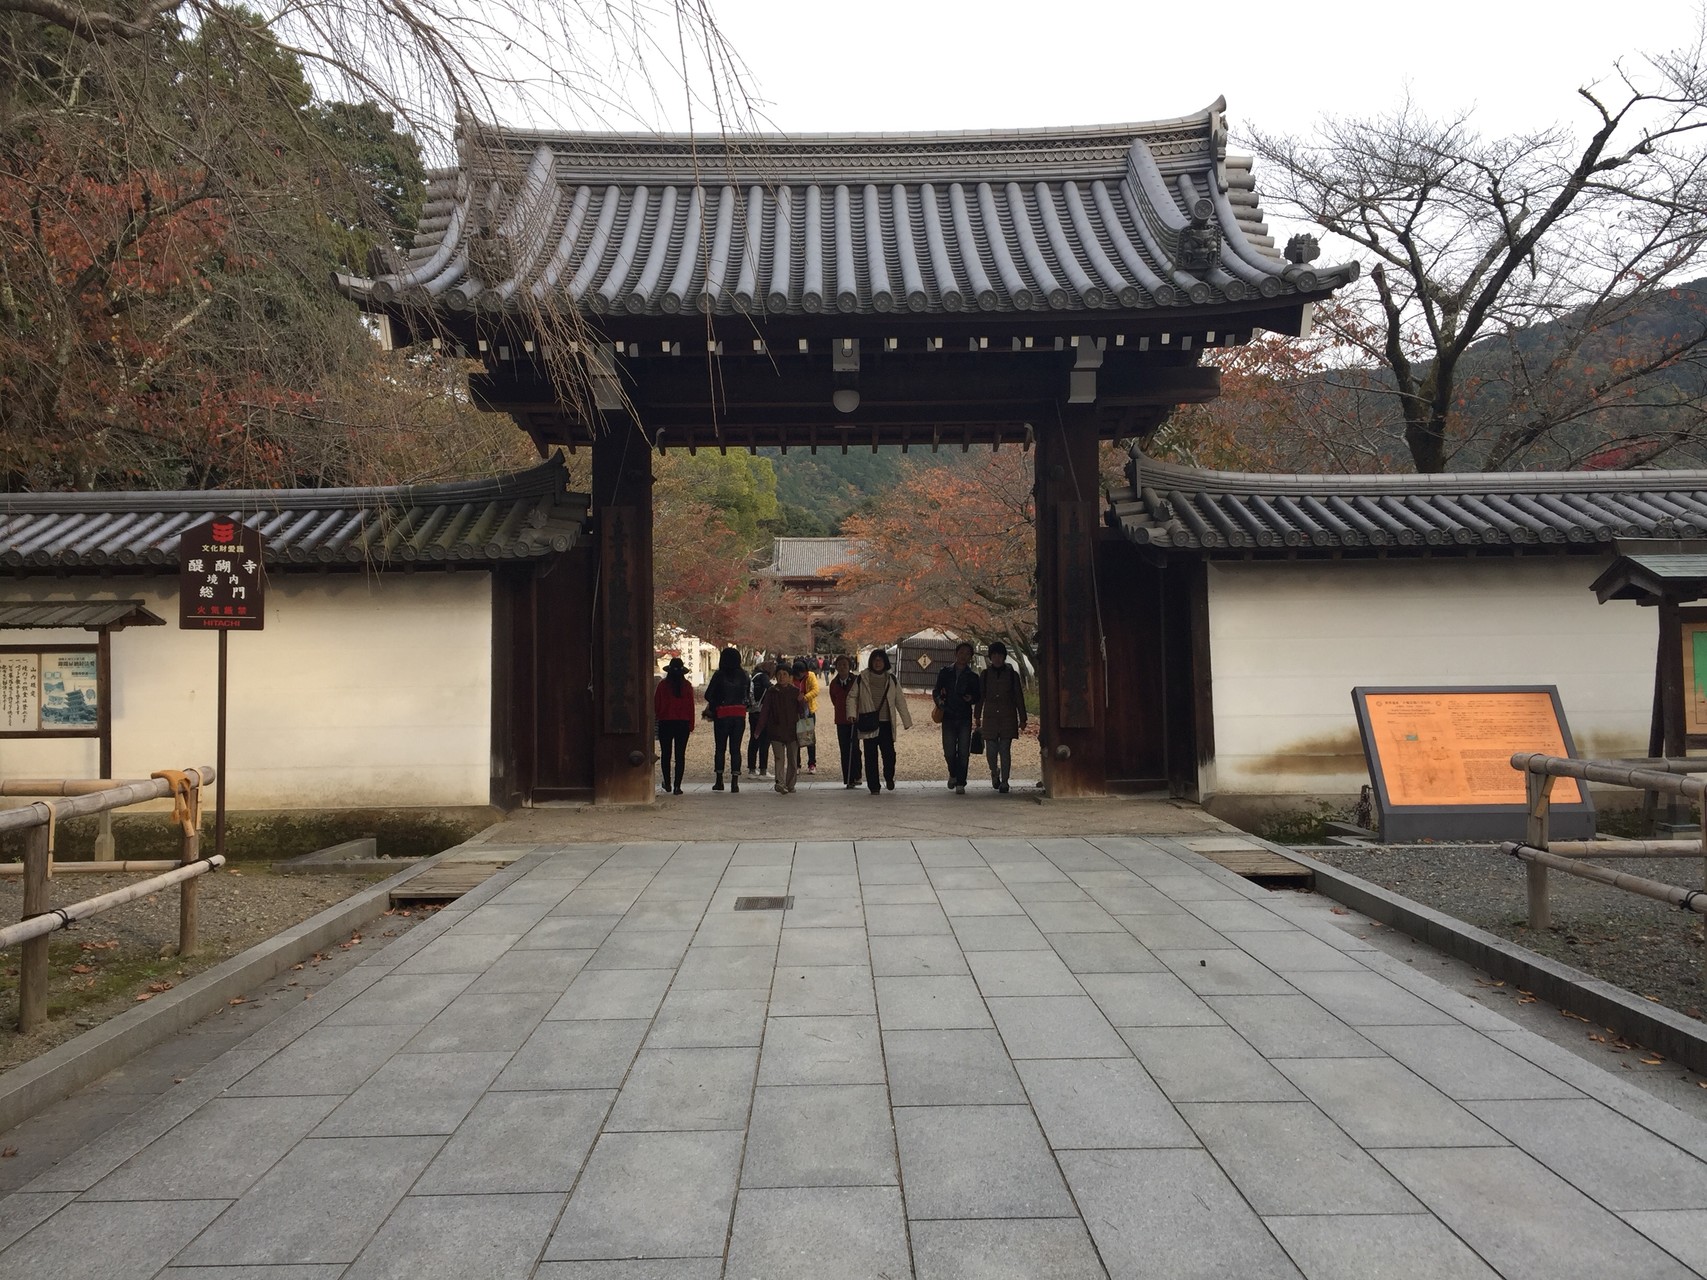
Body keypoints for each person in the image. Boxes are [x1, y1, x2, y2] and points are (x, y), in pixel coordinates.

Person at [851, 648, 912, 794]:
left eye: (880, 660)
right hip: (868, 720)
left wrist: (906, 721)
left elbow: (900, 701)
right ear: (871, 662)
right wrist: (851, 714)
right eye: (875, 660)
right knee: (870, 755)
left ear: (885, 662)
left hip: (886, 722)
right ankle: (874, 786)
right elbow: (852, 697)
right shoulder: (862, 678)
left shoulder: (891, 679)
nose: (878, 663)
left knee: (889, 754)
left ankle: (889, 776)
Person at [975, 641, 1026, 793]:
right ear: (991, 657)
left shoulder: (1012, 675)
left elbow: (1019, 697)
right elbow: (980, 697)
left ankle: (1005, 781)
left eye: (1000, 655)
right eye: (994, 655)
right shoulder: (985, 675)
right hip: (990, 716)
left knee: (1005, 750)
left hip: (1007, 716)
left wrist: (1022, 718)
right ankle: (994, 771)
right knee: (991, 751)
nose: (997, 658)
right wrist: (977, 715)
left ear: (1004, 657)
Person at [932, 641, 982, 795]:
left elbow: (978, 696)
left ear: (971, 658)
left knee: (963, 751)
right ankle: (953, 773)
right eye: (961, 653)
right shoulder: (945, 672)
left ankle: (961, 781)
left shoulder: (973, 676)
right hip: (948, 714)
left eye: (967, 654)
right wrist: (939, 701)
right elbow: (936, 691)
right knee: (949, 751)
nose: (963, 656)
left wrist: (971, 699)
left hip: (964, 716)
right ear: (956, 653)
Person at [704, 647, 750, 794]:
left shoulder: (719, 675)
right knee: (735, 749)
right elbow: (748, 696)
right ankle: (735, 782)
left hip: (722, 714)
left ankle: (719, 780)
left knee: (720, 748)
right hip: (739, 714)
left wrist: (716, 703)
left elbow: (708, 695)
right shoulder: (744, 675)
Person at [760, 663, 804, 793]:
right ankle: (780, 782)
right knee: (779, 757)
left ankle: (791, 784)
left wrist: (802, 701)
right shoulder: (771, 692)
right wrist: (760, 728)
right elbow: (765, 711)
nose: (782, 677)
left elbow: (803, 712)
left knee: (792, 759)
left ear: (790, 677)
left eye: (785, 674)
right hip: (776, 729)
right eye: (779, 674)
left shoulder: (795, 692)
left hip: (792, 729)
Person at [653, 656, 695, 795]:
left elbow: (656, 705)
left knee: (666, 754)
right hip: (683, 723)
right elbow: (691, 707)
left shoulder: (662, 685)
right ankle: (678, 786)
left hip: (666, 722)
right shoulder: (687, 686)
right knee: (680, 755)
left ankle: (667, 783)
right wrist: (691, 724)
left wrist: (658, 717)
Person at [827, 654, 864, 789]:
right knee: (844, 749)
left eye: (845, 665)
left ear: (849, 667)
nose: (842, 667)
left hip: (854, 718)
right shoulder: (834, 684)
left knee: (854, 747)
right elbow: (834, 699)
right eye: (840, 665)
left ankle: (857, 774)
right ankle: (848, 778)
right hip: (841, 719)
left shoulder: (856, 681)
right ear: (836, 667)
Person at [746, 658, 774, 777]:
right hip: (763, 711)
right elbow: (770, 688)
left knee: (754, 739)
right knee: (765, 741)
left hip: (753, 711)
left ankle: (752, 768)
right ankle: (763, 768)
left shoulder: (754, 676)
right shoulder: (764, 677)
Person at [795, 659, 822, 773]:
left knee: (809, 738)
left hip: (808, 711)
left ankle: (812, 764)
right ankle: (796, 764)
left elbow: (816, 690)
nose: (800, 675)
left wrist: (805, 697)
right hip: (795, 711)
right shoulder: (792, 677)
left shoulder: (810, 676)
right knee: (795, 738)